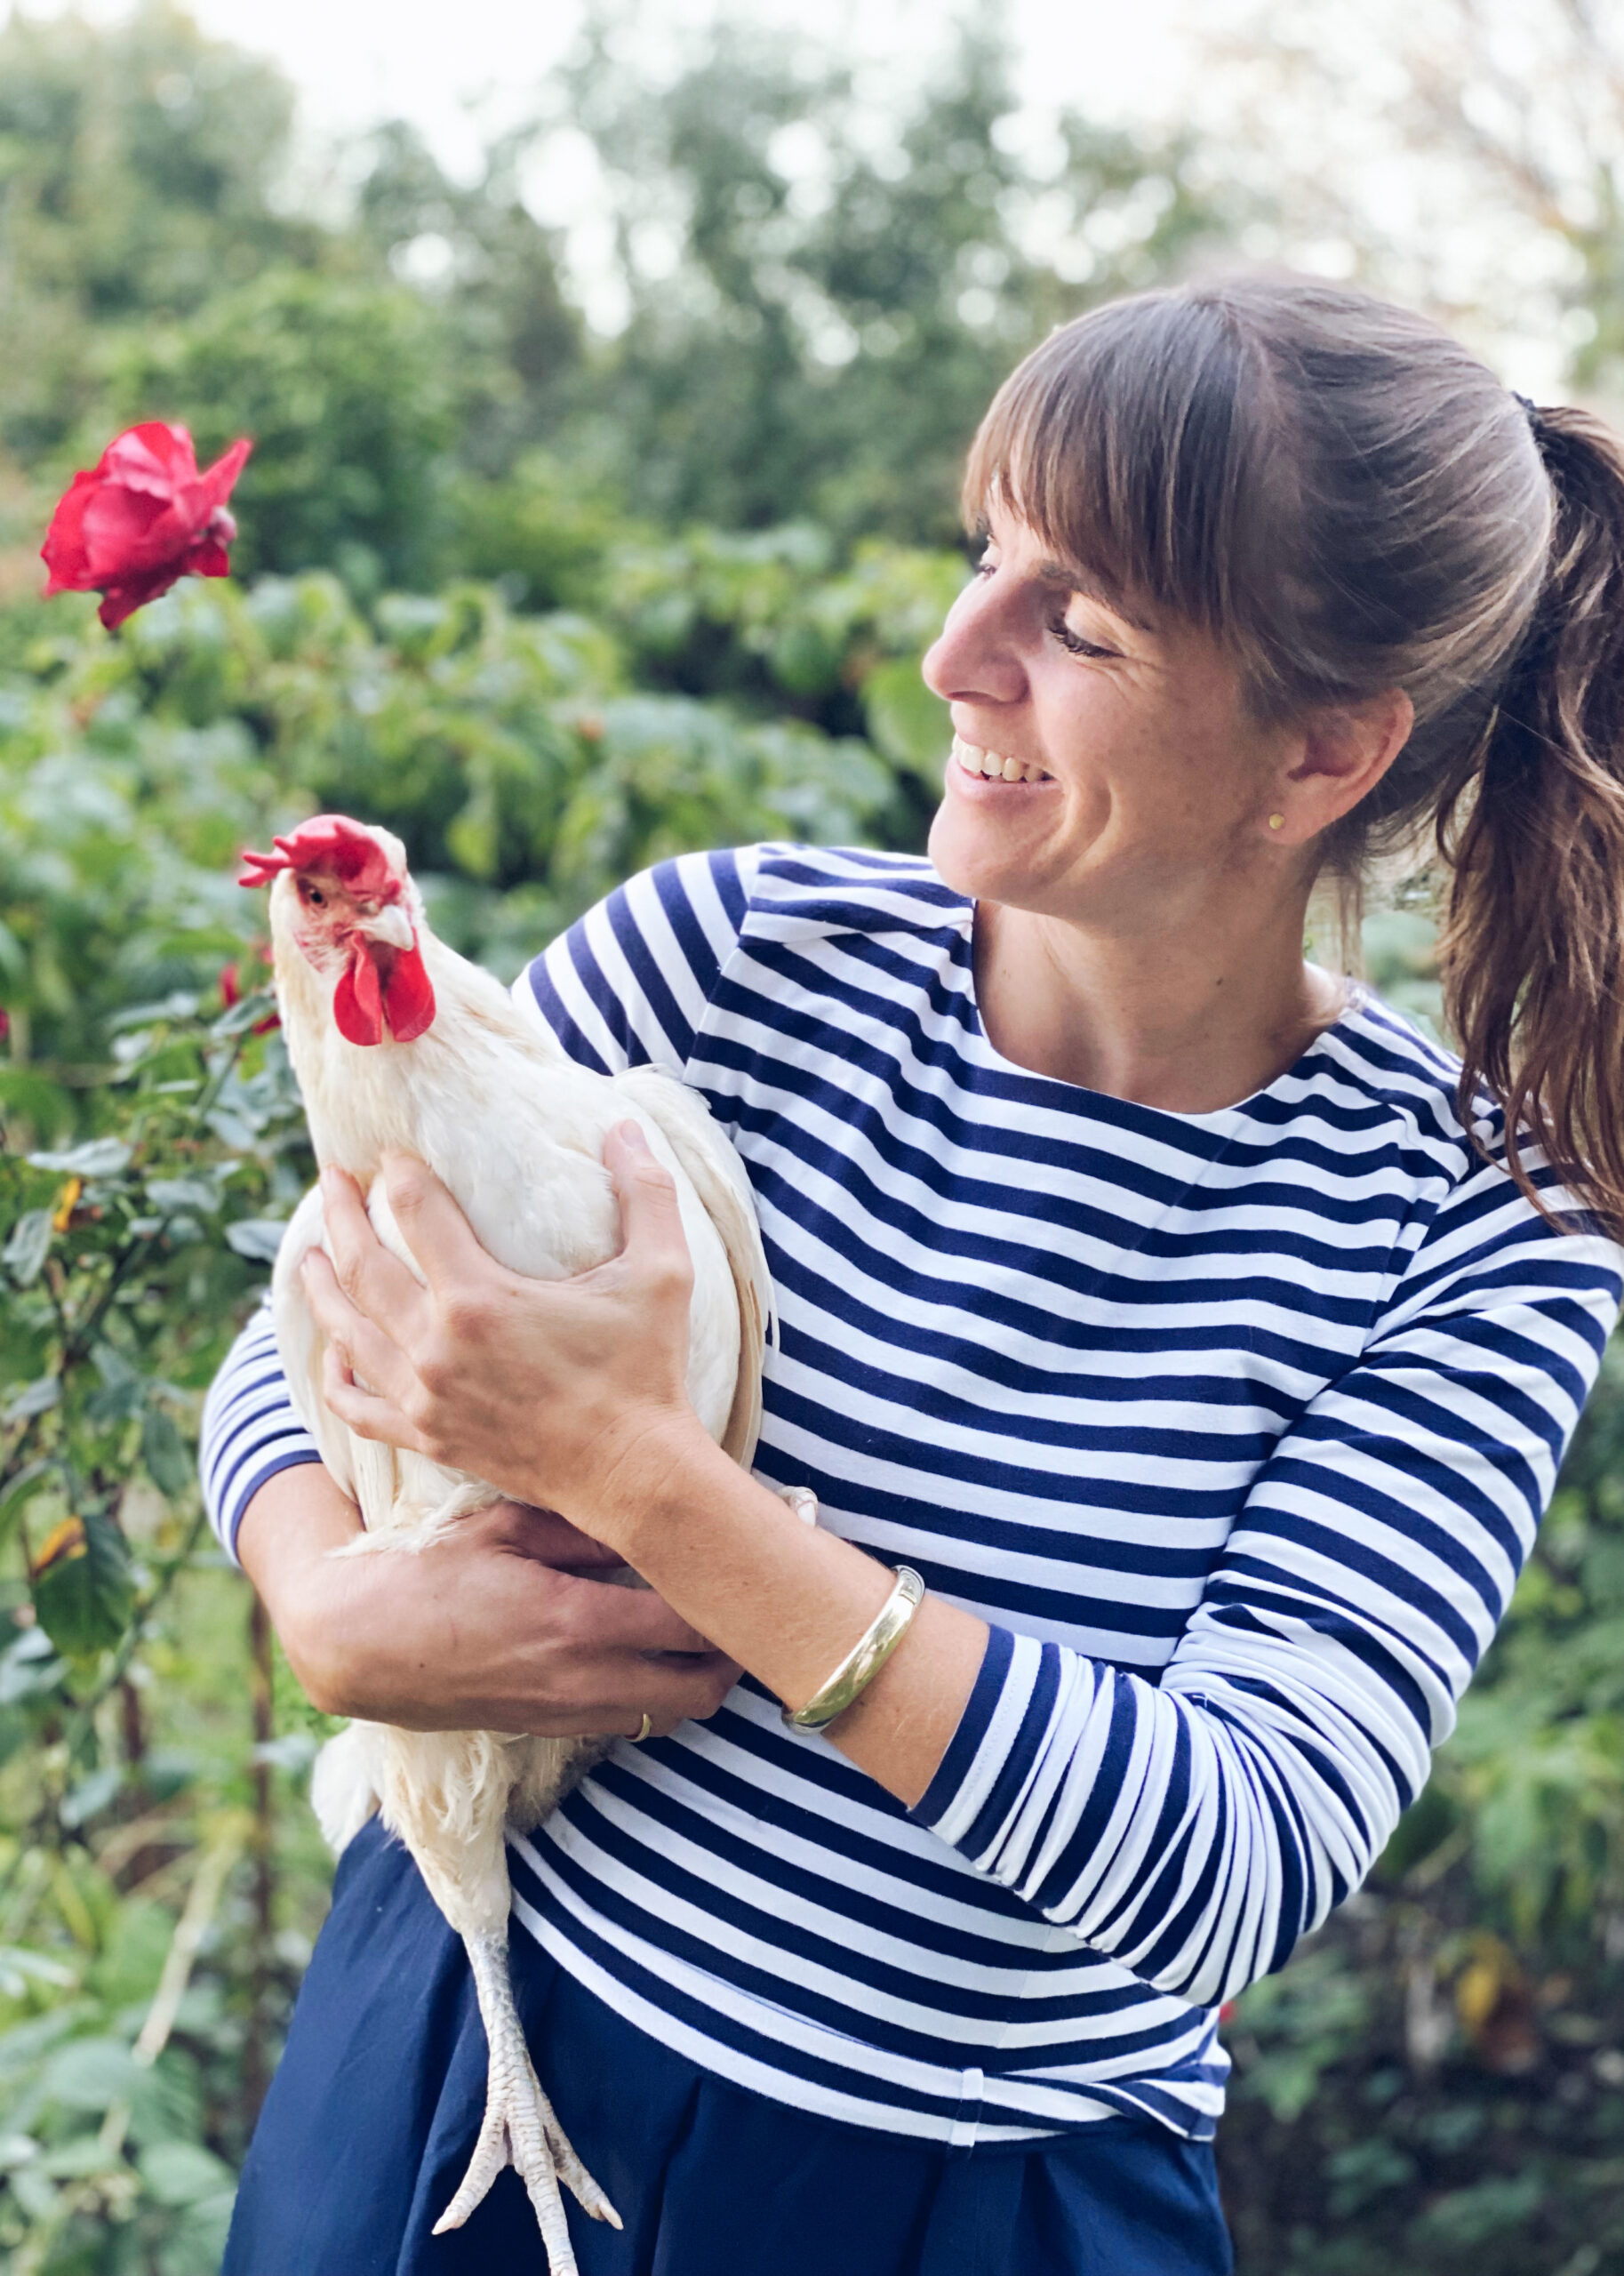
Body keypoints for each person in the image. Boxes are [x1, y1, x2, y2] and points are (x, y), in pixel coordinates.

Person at [202, 272, 1624, 2276]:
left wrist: (636, 1475)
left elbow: (1231, 1852)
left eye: (1079, 623)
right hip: (476, 2059)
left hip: (963, 2201)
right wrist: (326, 1594)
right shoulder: (730, 958)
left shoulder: (1470, 1223)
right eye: (986, 555)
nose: (957, 651)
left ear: (1318, 754)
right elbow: (309, 1324)